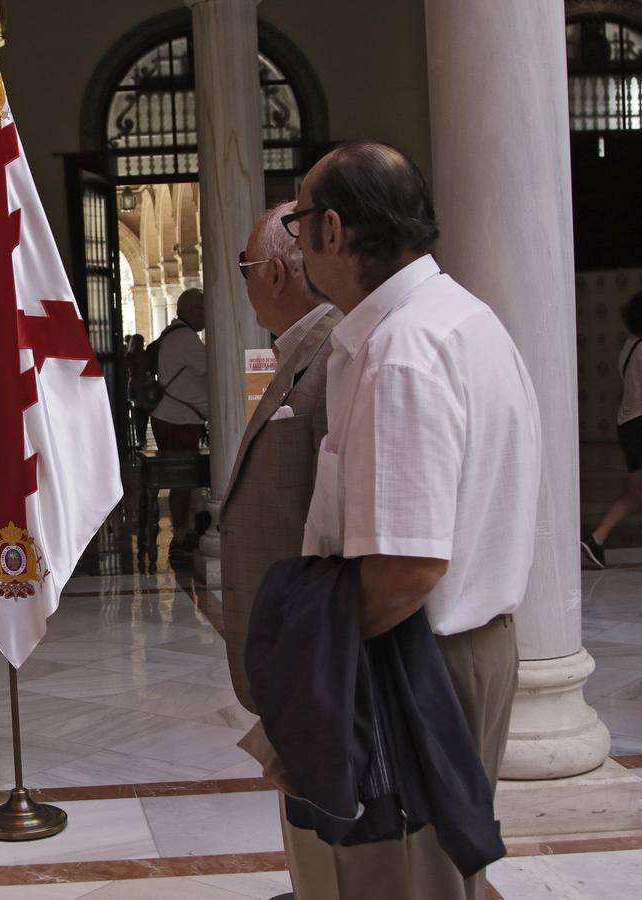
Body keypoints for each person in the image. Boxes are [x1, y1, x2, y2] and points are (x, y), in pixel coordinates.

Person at [284, 142, 540, 899]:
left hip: (412, 659)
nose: (295, 246)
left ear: (332, 230)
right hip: (459, 647)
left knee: (385, 878)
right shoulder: (460, 317)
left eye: (298, 223)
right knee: (439, 873)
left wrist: (301, 670)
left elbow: (404, 571)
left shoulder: (404, 351)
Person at [219, 201, 339, 721]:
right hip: (291, 646)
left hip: (310, 648)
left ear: (272, 274)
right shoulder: (303, 348)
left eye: (244, 269)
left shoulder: (338, 352)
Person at [582, 290, 642, 568]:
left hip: (629, 424)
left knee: (636, 492)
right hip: (640, 423)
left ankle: (596, 539)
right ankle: (596, 538)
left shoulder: (630, 346)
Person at [150, 288, 210, 546]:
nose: (207, 315)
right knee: (183, 480)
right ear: (192, 311)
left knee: (182, 480)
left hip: (175, 416)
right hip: (178, 419)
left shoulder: (173, 334)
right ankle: (183, 530)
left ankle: (184, 526)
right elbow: (213, 367)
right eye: (203, 309)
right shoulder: (185, 338)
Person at [124, 333, 150, 448]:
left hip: (135, 385)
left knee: (138, 413)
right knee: (144, 412)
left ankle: (140, 437)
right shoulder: (144, 355)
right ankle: (141, 437)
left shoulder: (129, 356)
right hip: (142, 385)